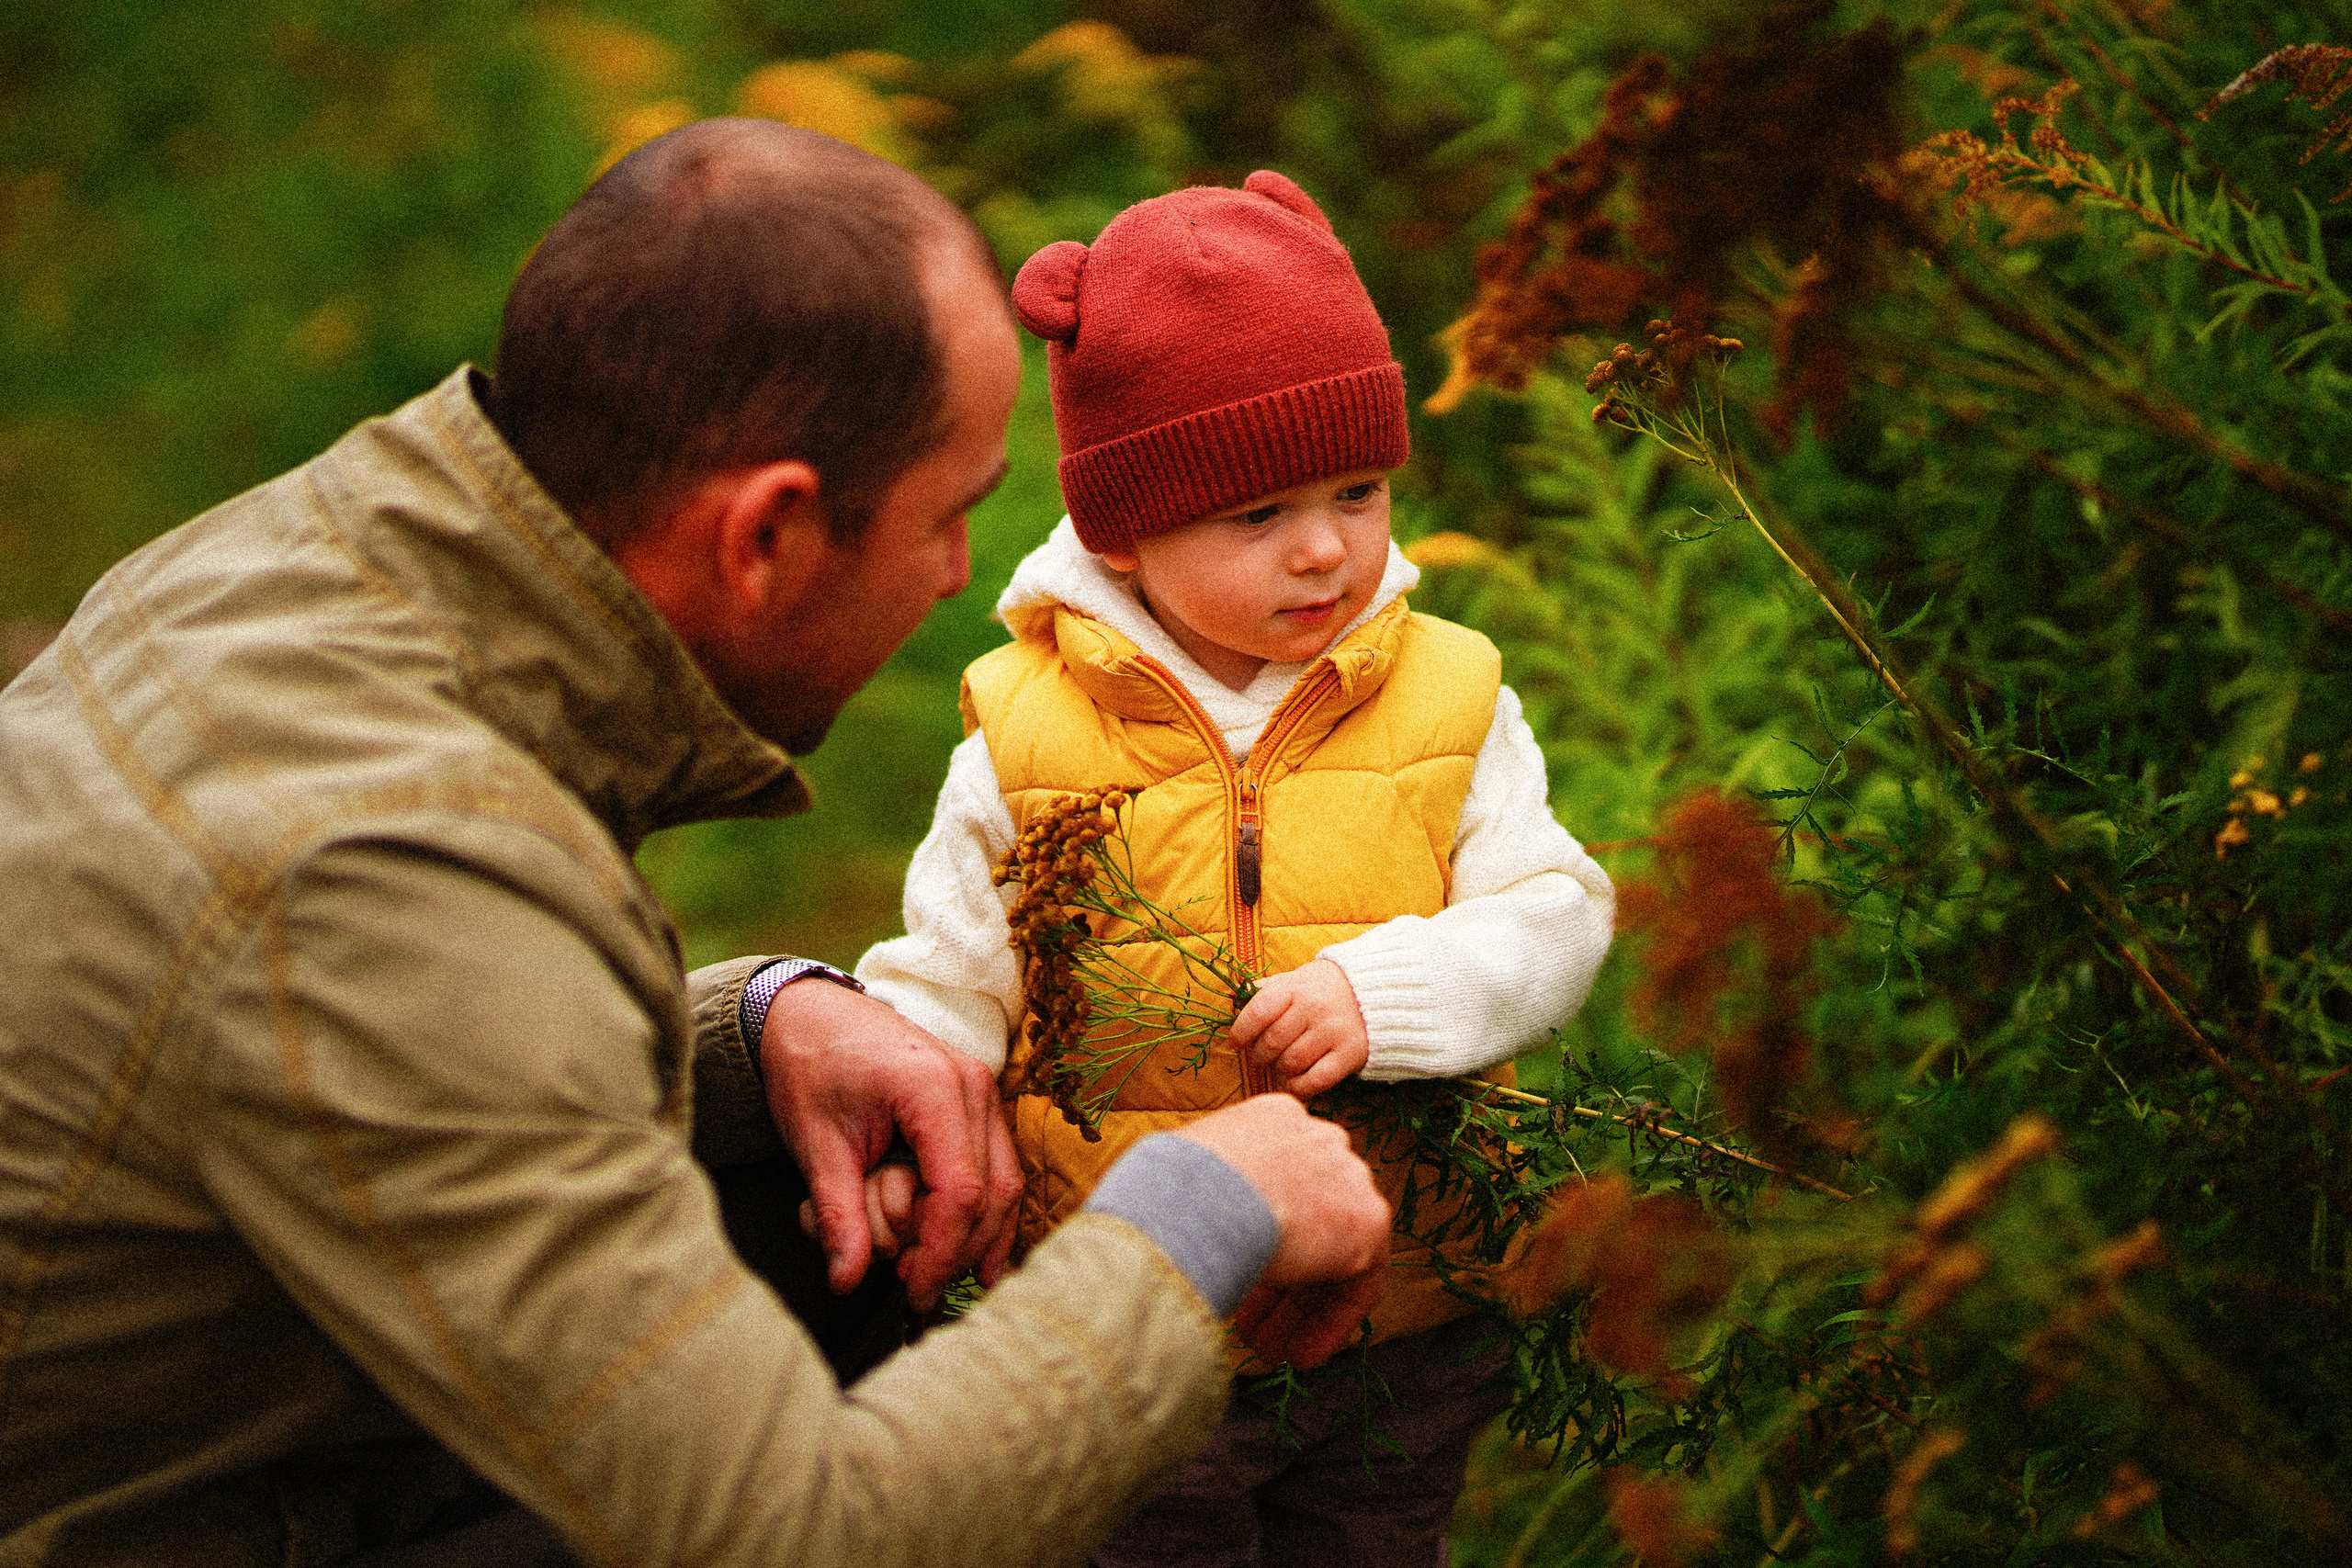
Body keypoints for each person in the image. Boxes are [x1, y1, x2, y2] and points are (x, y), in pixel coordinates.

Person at [0, 120, 1393, 1568]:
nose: (957, 578)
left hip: (214, 1407)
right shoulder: (385, 868)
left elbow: (370, 1048)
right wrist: (1196, 1217)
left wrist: (752, 1032)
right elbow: (800, 1536)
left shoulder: (317, 557)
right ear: (765, 536)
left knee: (824, 1220)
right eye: (948, 517)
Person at [854, 171, 1617, 1567]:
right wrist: (915, 1132)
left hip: (1401, 1305)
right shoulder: (1026, 731)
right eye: (1257, 514)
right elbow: (950, 976)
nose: (1325, 547)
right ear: (1122, 532)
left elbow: (1555, 915)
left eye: (1358, 491)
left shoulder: (1448, 697)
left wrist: (1393, 994)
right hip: (1145, 1311)